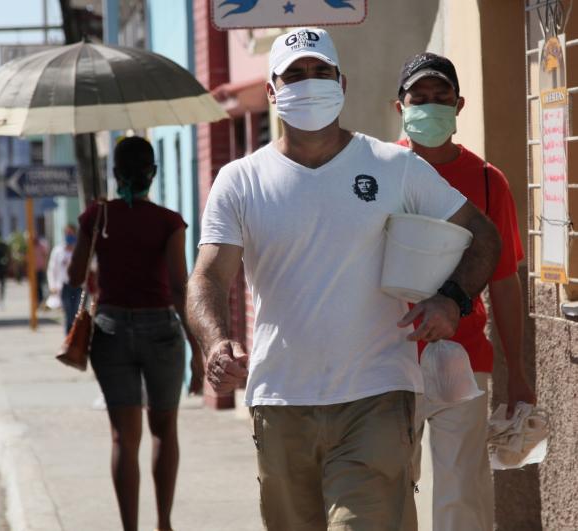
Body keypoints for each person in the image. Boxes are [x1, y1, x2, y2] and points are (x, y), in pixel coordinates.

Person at [186, 28, 501, 531]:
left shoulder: (394, 166)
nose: (309, 83)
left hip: (375, 397)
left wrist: (451, 300)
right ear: (272, 90)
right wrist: (217, 342)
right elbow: (208, 275)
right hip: (280, 401)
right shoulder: (240, 179)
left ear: (342, 82)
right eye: (294, 74)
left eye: (320, 72)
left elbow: (483, 236)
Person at [395, 52, 536, 531]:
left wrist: (516, 371)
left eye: (441, 98)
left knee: (462, 494)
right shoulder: (377, 176)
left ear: (460, 105)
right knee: (390, 487)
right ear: (400, 107)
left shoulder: (487, 181)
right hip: (387, 358)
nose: (430, 107)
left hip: (466, 357)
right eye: (420, 98)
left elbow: (504, 282)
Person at [67, 136, 203, 531]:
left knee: (123, 439)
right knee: (164, 431)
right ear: (153, 173)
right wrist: (196, 351)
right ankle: (164, 524)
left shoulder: (98, 215)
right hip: (161, 330)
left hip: (109, 331)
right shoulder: (169, 221)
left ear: (115, 174)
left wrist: (93, 229)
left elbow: (74, 277)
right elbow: (179, 289)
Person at [47, 224, 82, 332]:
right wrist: (52, 286)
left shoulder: (80, 249)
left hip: (78, 286)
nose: (69, 235)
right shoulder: (58, 251)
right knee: (68, 313)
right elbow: (52, 269)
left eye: (71, 233)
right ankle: (68, 338)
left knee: (77, 313)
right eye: (67, 233)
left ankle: (75, 338)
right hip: (64, 286)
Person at [32, 236, 48, 308]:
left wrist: (45, 266)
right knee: (35, 286)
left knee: (41, 286)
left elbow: (45, 255)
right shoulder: (31, 246)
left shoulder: (41, 245)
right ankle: (37, 301)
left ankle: (41, 301)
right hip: (33, 270)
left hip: (40, 268)